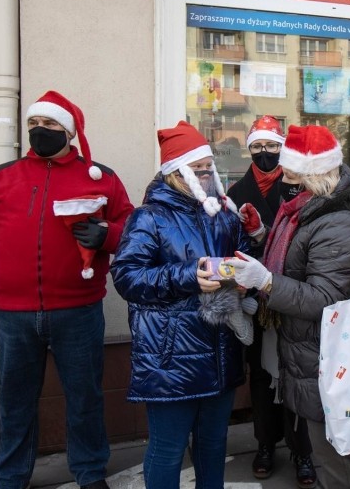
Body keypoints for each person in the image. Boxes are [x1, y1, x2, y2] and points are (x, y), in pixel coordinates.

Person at [0, 90, 134, 489]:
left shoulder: (102, 178)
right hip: (13, 314)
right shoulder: (1, 178)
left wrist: (107, 235)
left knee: (84, 399)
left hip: (78, 311)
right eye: (34, 124)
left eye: (50, 125)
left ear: (70, 131)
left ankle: (90, 472)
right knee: (15, 401)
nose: (40, 131)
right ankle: (12, 476)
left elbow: (136, 231)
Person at [224, 125, 350, 489]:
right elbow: (298, 258)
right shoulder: (304, 208)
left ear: (315, 173)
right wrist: (262, 235)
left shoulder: (335, 221)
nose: (285, 181)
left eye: (292, 174)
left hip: (327, 354)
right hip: (308, 350)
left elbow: (323, 299)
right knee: (327, 449)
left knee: (336, 455)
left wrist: (265, 281)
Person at [109, 120, 254, 489]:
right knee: (168, 449)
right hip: (171, 357)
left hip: (220, 349)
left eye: (209, 169)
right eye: (198, 169)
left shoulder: (222, 214)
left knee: (212, 444)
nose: (207, 176)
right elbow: (127, 276)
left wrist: (243, 277)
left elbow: (244, 256)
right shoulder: (149, 217)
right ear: (177, 172)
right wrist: (187, 275)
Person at [226, 116, 315, 487]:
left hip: (292, 294)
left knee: (296, 375)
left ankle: (302, 450)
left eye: (272, 146)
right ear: (249, 149)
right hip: (255, 301)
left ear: (283, 148)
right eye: (258, 147)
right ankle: (265, 443)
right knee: (261, 377)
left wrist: (263, 234)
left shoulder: (296, 183)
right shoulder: (235, 193)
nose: (265, 154)